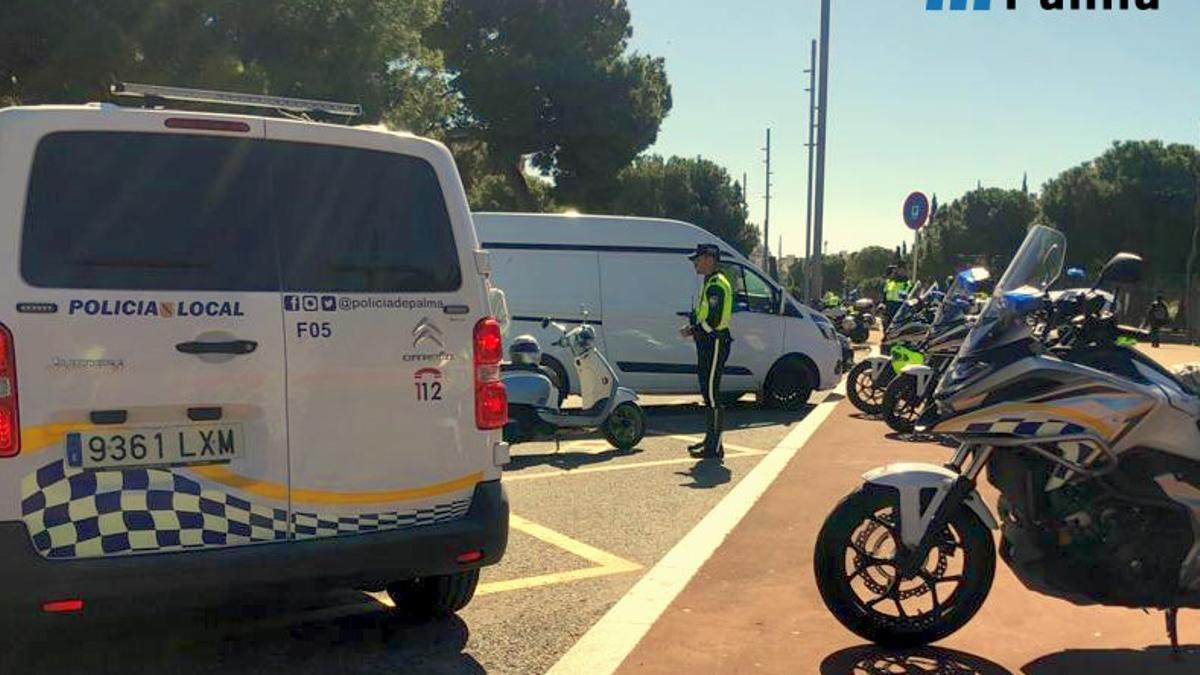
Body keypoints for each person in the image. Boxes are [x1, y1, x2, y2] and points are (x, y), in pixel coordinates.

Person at [679, 244, 734, 459]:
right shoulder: (710, 282)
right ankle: (710, 441)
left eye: (698, 259)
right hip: (708, 342)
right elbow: (706, 314)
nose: (695, 263)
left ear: (710, 259)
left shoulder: (717, 285)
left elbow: (714, 320)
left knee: (712, 394)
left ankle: (715, 447)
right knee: (707, 393)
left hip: (715, 342)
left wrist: (692, 330)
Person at [883, 262, 911, 331]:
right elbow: (885, 293)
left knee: (898, 327)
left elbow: (911, 296)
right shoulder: (889, 281)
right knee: (887, 326)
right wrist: (882, 304)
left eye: (898, 269)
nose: (896, 271)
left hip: (900, 307)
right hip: (889, 307)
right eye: (896, 269)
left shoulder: (907, 283)